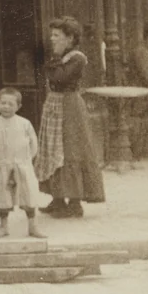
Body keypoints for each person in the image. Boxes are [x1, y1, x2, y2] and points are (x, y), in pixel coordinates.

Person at [36, 16, 105, 218]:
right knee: (53, 149)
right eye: (52, 35)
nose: (52, 39)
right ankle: (57, 199)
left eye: (57, 35)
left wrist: (55, 59)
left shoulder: (77, 58)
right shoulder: (58, 57)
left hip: (70, 107)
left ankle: (74, 202)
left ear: (70, 38)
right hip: (55, 104)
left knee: (70, 150)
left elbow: (60, 77)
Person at [0, 88, 45, 239]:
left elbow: (33, 144)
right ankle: (3, 226)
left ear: (18, 106)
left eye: (10, 104)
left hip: (22, 165)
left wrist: (26, 161)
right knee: (3, 199)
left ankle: (33, 227)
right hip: (3, 166)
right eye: (3, 103)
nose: (6, 106)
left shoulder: (25, 124)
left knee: (28, 196)